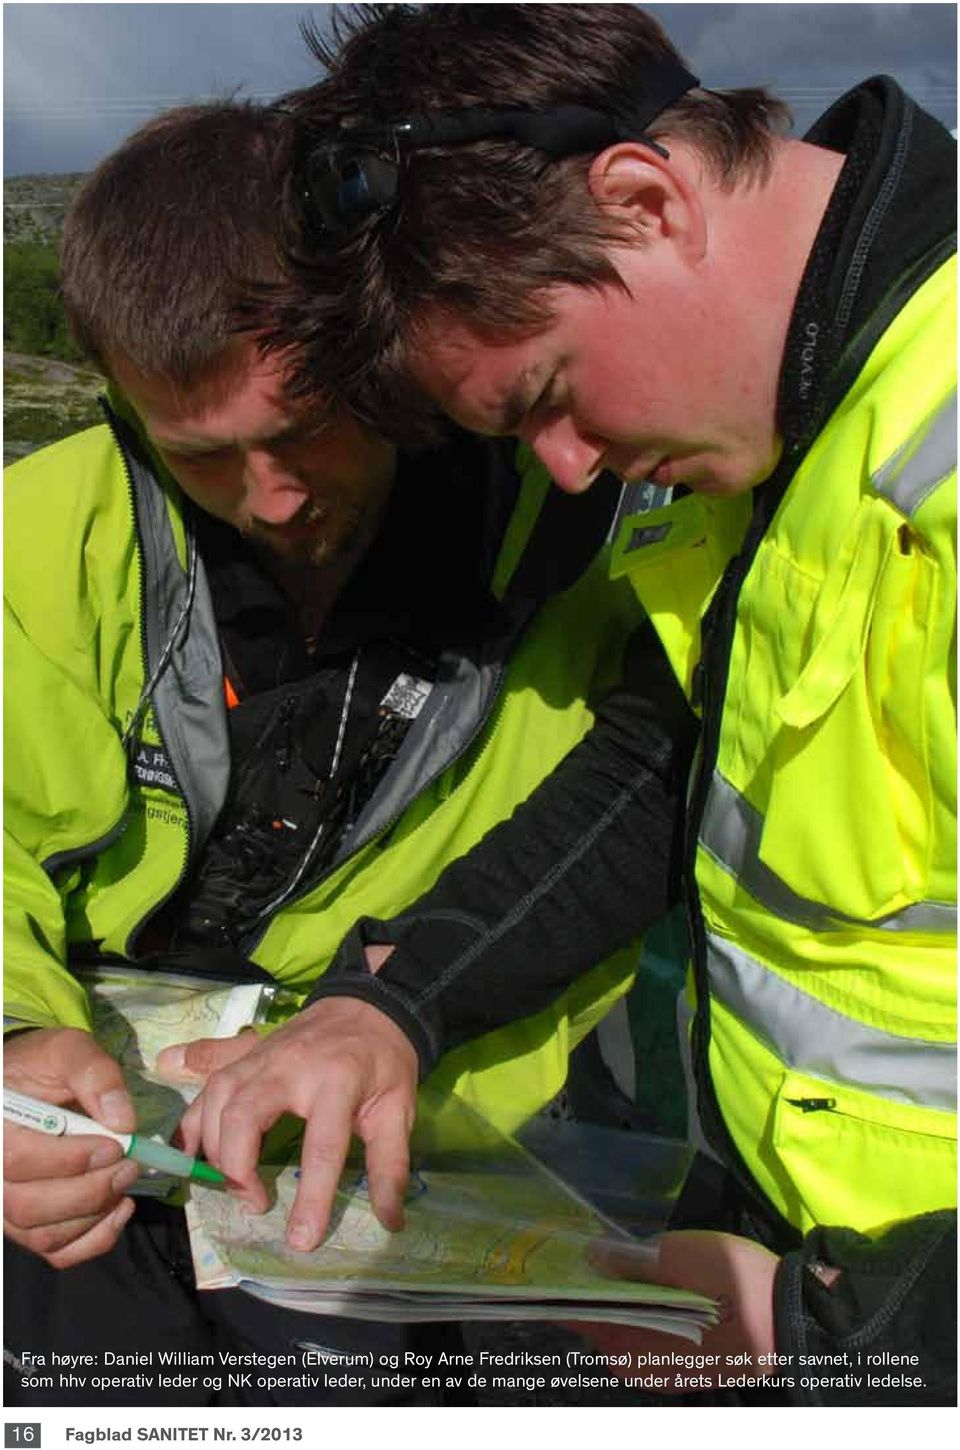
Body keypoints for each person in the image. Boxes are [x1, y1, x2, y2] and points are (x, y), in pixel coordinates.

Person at [172, 5, 957, 1406]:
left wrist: (875, 1346)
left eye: (552, 395)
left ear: (645, 202)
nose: (576, 471)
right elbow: (669, 769)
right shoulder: (792, 426)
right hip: (785, 1236)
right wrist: (395, 1007)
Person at [3, 97, 658, 1408]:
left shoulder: (575, 527)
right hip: (89, 1146)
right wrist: (17, 1036)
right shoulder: (36, 530)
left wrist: (398, 1009)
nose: (277, 495)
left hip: (417, 1147)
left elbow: (623, 811)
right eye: (202, 456)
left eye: (304, 426)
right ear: (126, 414)